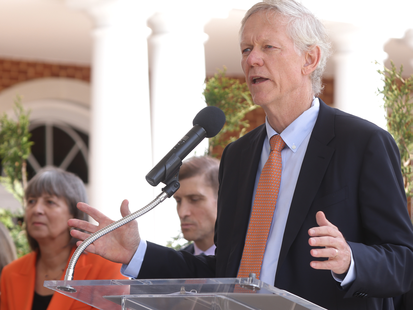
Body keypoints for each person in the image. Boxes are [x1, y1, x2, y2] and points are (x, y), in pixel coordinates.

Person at [68, 1, 413, 309]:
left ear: (310, 58)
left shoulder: (362, 143)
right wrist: (136, 252)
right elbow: (224, 273)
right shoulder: (238, 155)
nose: (252, 59)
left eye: (268, 47)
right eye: (246, 48)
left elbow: (403, 262)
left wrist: (351, 259)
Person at [0, 167, 127, 310]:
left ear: (74, 214)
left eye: (50, 202)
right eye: (31, 201)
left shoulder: (106, 268)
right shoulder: (10, 273)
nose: (37, 209)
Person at [174, 156, 219, 255]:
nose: (182, 213)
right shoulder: (174, 266)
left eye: (194, 200)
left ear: (222, 201)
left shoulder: (249, 261)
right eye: (178, 201)